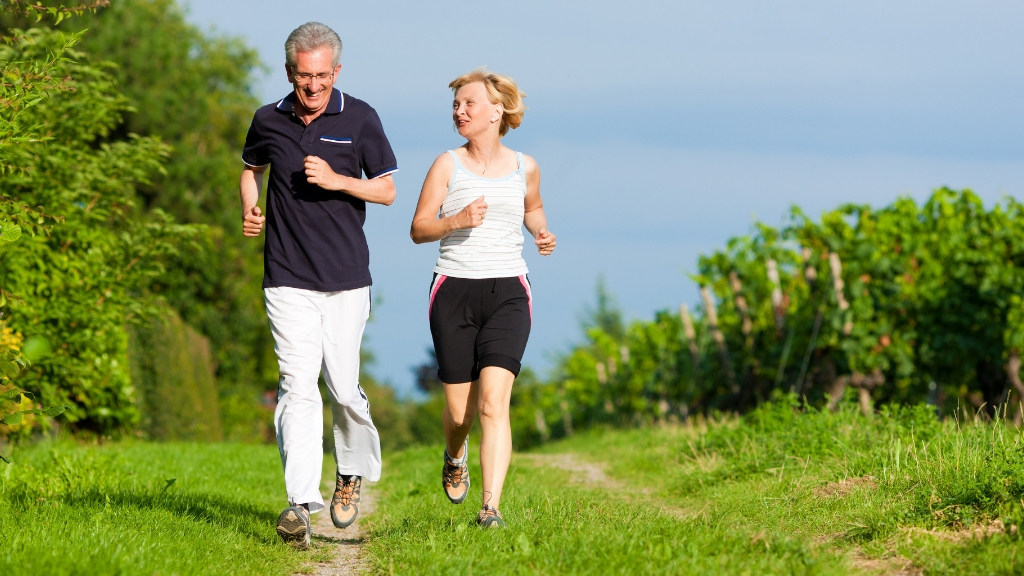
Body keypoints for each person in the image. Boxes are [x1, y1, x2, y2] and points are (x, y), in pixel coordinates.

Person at [239, 22, 398, 549]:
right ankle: (299, 503)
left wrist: (338, 181)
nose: (313, 88)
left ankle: (349, 473)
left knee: (343, 387)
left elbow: (388, 191)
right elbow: (249, 167)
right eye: (304, 77)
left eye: (322, 77)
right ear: (290, 72)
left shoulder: (361, 117)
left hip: (347, 279)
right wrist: (251, 206)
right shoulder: (268, 118)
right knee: (296, 384)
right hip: (286, 276)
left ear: (337, 71)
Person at [410, 68, 556, 527]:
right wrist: (457, 220)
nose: (459, 111)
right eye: (455, 105)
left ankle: (490, 508)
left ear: (498, 110)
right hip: (453, 288)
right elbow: (418, 228)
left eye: (469, 103)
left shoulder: (525, 166)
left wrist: (541, 232)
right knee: (460, 412)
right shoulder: (447, 164)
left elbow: (532, 208)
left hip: (509, 290)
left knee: (494, 401)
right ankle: (455, 455)